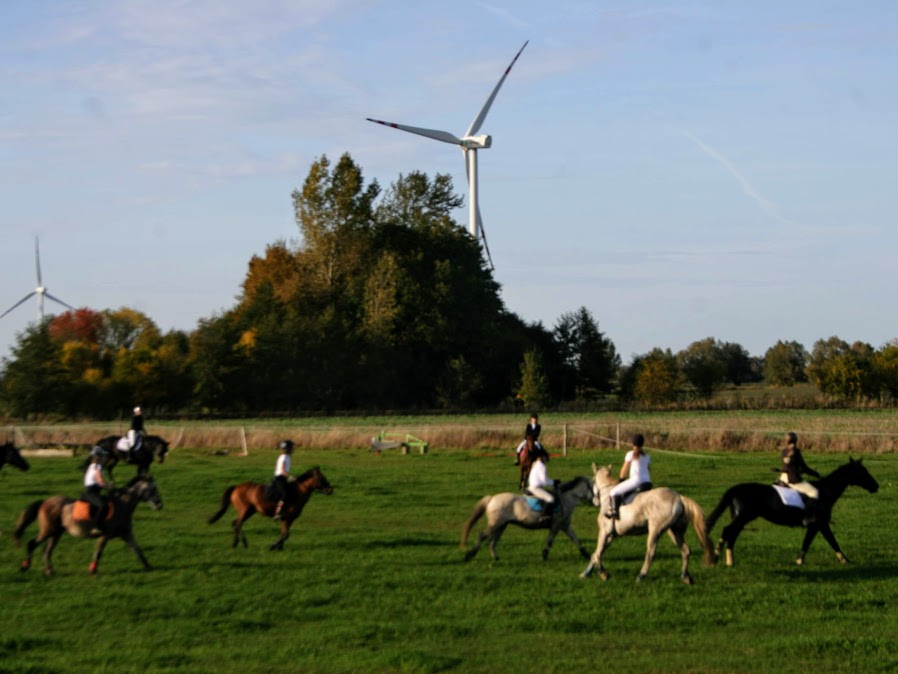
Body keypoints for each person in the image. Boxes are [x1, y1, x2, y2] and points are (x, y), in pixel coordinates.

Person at [776, 432, 822, 524]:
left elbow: (789, 465)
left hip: (782, 478)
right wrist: (816, 474)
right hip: (792, 479)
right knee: (814, 492)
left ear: (787, 441)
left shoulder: (784, 451)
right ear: (796, 441)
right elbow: (804, 467)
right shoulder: (796, 451)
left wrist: (799, 470)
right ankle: (807, 517)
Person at [607, 433, 652, 519]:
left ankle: (615, 512)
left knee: (613, 492)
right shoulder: (647, 456)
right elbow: (648, 469)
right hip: (647, 481)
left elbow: (623, 471)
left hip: (636, 481)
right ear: (642, 444)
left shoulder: (630, 454)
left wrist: (621, 480)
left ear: (632, 444)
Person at [83, 448, 113, 532]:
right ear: (98, 458)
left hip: (93, 490)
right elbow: (100, 481)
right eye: (103, 456)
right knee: (103, 506)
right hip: (92, 492)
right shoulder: (97, 467)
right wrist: (108, 486)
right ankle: (96, 526)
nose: (104, 458)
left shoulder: (92, 466)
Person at [526, 451, 562, 520]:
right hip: (536, 488)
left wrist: (552, 481)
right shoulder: (542, 466)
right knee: (550, 499)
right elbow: (544, 481)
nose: (546, 459)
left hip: (531, 487)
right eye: (545, 457)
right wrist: (553, 482)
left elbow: (544, 479)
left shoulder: (535, 464)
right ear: (541, 457)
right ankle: (543, 515)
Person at [272, 440, 295, 520]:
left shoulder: (287, 457)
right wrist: (290, 477)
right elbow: (282, 471)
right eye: (292, 447)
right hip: (279, 478)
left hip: (283, 478)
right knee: (285, 494)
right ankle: (277, 513)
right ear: (287, 449)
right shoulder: (284, 457)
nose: (293, 449)